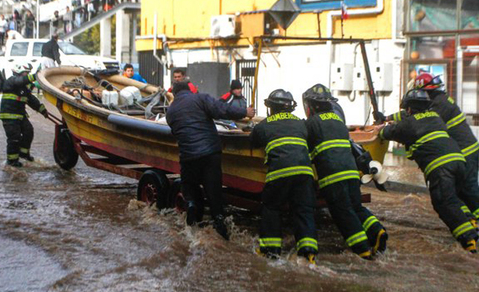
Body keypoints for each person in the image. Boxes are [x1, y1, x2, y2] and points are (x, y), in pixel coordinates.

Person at [379, 89, 479, 253]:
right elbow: (410, 120)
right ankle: (469, 219)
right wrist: (388, 117)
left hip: (441, 167)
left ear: (409, 109)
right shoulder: (435, 117)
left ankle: (468, 240)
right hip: (460, 162)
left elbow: (387, 132)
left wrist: (381, 125)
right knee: (454, 198)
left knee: (443, 202)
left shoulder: (408, 124)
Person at [303, 84, 387, 260]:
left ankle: (362, 249)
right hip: (351, 173)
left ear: (310, 106)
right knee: (356, 207)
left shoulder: (311, 123)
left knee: (342, 212)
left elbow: (304, 149)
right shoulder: (338, 121)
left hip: (333, 176)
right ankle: (377, 230)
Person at [166, 81, 255, 239]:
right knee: (214, 192)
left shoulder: (171, 111)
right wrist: (245, 112)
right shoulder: (200, 99)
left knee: (190, 188)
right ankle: (220, 225)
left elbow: (176, 132)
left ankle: (192, 210)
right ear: (189, 90)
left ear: (174, 94)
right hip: (210, 153)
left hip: (188, 156)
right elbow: (222, 110)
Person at [413, 73, 479, 231]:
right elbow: (415, 114)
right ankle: (470, 220)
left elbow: (420, 120)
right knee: (457, 190)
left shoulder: (439, 105)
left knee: (469, 189)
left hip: (465, 151)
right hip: (463, 150)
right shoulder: (439, 101)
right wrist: (389, 118)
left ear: (425, 91)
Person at [249, 89, 318, 262]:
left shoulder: (264, 125)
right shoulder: (301, 123)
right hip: (305, 173)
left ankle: (270, 251)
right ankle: (308, 252)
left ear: (270, 107)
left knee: (271, 208)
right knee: (304, 210)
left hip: (279, 173)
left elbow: (252, 141)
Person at [0, 64, 48, 167]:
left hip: (20, 116)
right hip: (9, 116)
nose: (27, 75)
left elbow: (32, 100)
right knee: (14, 137)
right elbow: (20, 81)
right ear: (18, 72)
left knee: (28, 131)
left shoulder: (24, 88)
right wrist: (35, 76)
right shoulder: (11, 81)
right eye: (26, 73)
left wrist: (43, 110)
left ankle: (24, 154)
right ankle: (12, 161)